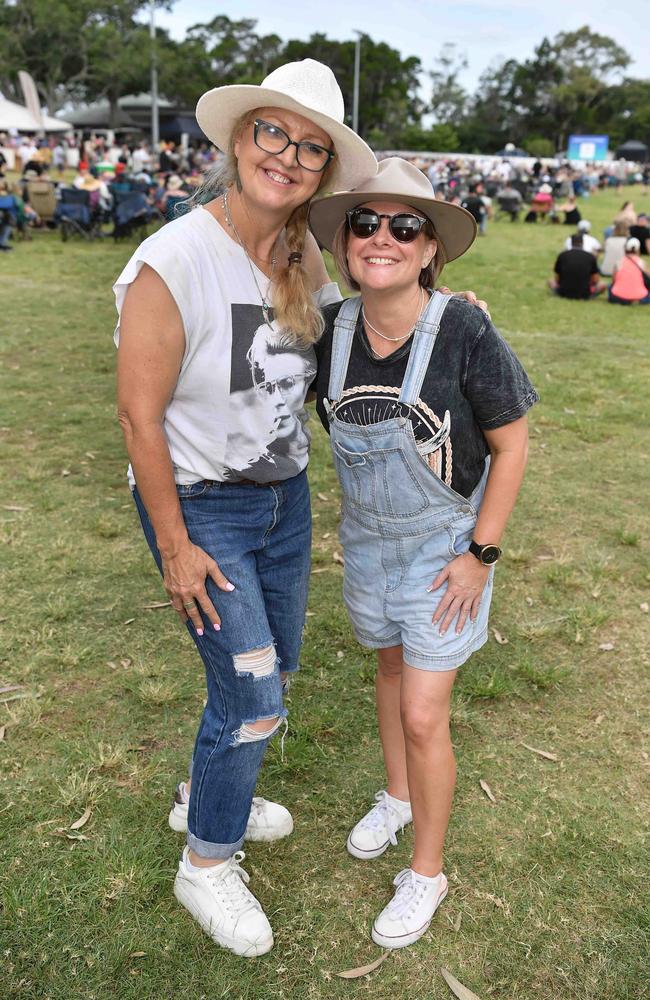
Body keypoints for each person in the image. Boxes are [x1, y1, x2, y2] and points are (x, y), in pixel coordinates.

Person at [115, 58, 379, 958]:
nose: (290, 157)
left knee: (266, 674)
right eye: (275, 133)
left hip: (283, 503)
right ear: (238, 140)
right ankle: (206, 862)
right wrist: (177, 547)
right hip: (202, 506)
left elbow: (344, 358)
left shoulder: (305, 255)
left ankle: (206, 790)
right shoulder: (173, 257)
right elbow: (137, 416)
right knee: (256, 695)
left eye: (311, 148)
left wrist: (438, 321)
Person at [308, 157, 537, 949]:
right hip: (368, 546)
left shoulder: (466, 329)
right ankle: (398, 796)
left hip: (446, 550)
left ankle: (426, 873)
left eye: (405, 225)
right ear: (344, 242)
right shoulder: (329, 329)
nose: (383, 237)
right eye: (365, 222)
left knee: (421, 709)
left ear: (431, 248)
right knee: (391, 669)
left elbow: (512, 448)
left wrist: (482, 553)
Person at [548, 234, 606, 299]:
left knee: (551, 281)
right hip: (584, 293)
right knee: (602, 285)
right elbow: (595, 279)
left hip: (563, 291)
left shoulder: (562, 255)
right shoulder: (590, 257)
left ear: (571, 243)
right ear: (582, 243)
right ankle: (591, 296)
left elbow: (557, 278)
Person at [608, 237, 650, 305]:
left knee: (610, 286)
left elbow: (614, 280)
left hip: (618, 296)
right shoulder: (641, 263)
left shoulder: (619, 262)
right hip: (640, 296)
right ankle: (634, 300)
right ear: (638, 250)